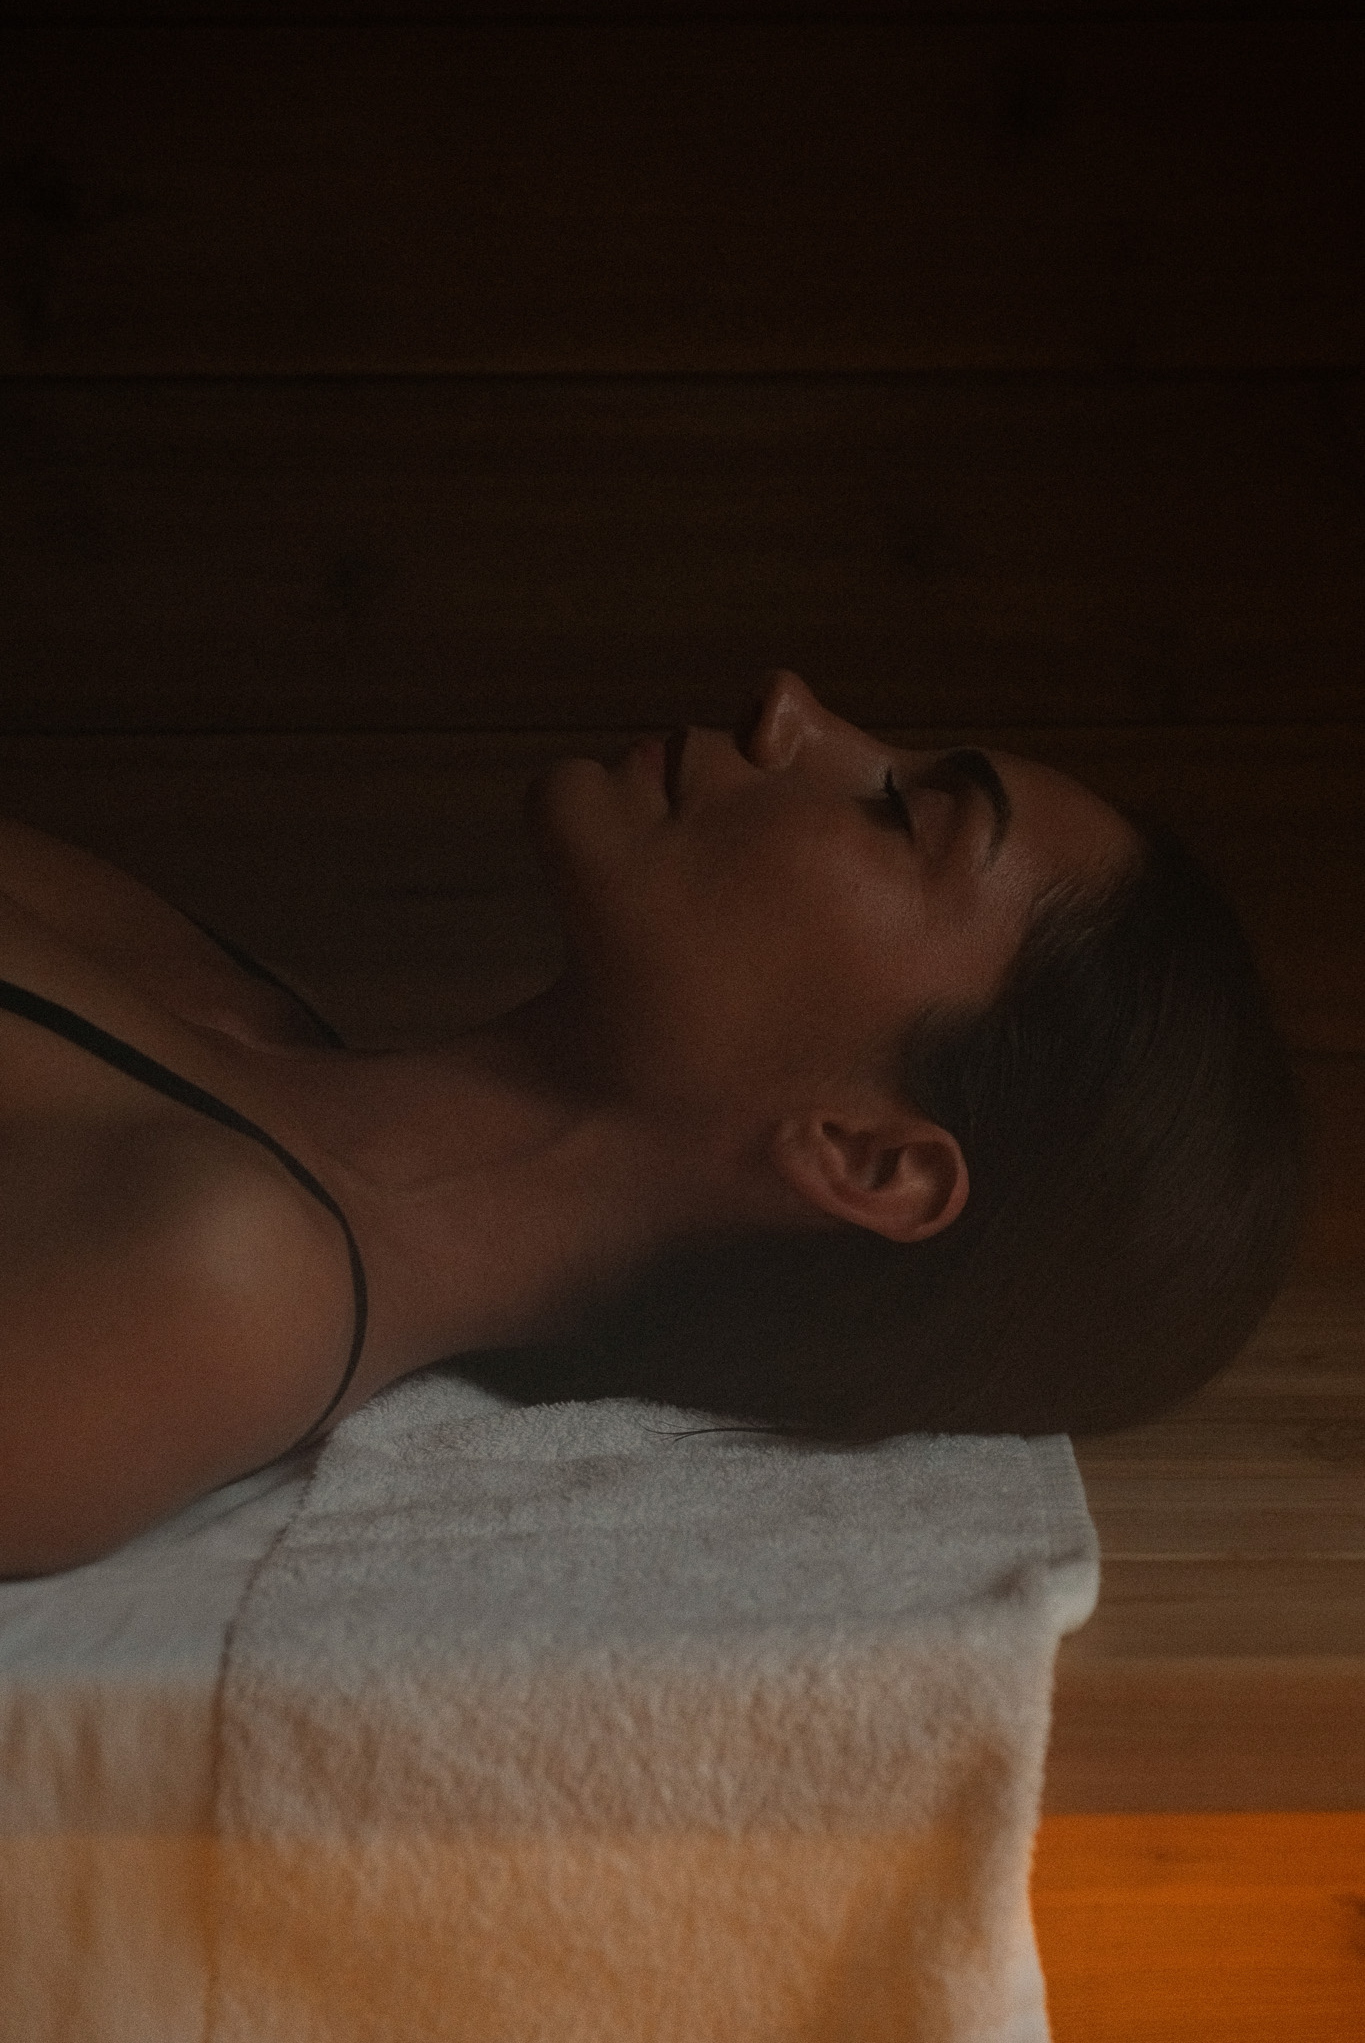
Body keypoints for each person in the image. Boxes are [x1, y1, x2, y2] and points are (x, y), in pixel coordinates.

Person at [0, 672, 1305, 1576]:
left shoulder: (215, 1296)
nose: (789, 708)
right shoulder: (219, 996)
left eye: (902, 812)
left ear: (863, 1157)